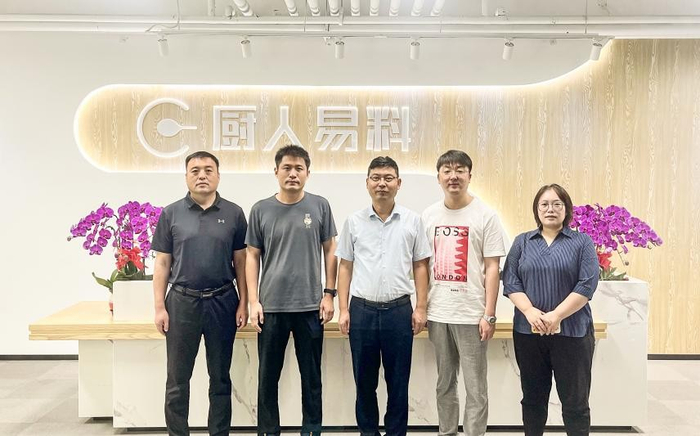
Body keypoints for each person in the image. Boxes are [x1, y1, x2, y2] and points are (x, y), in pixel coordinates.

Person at [152, 151, 249, 436]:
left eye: (208, 170)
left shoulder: (234, 213)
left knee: (220, 377)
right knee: (177, 379)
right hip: (182, 302)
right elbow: (162, 263)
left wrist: (244, 301)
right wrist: (159, 307)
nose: (202, 175)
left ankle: (219, 432)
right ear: (186, 177)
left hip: (223, 301)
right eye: (195, 171)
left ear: (218, 175)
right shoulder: (171, 213)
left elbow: (241, 262)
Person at [245, 144, 338, 436]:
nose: (293, 174)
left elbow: (330, 250)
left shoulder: (320, 205)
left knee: (311, 377)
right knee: (267, 378)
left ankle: (312, 429)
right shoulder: (260, 209)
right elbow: (252, 256)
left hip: (310, 307)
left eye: (299, 168)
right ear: (276, 172)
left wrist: (329, 294)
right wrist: (253, 301)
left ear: (308, 173)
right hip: (271, 307)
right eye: (287, 167)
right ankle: (268, 431)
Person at [336, 156, 431, 436]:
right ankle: (368, 432)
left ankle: (395, 433)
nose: (382, 184)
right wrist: (343, 309)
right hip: (362, 311)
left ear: (398, 183)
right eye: (376, 178)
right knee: (364, 383)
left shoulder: (413, 221)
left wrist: (421, 307)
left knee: (398, 382)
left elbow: (420, 266)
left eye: (388, 178)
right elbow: (345, 266)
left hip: (399, 311)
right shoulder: (353, 221)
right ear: (367, 183)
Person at [502, 183, 599, 436]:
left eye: (557, 204)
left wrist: (556, 316)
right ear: (536, 209)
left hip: (572, 333)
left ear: (567, 209)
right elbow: (510, 280)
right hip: (528, 332)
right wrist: (530, 312)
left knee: (575, 402)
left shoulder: (582, 242)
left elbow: (587, 284)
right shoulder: (523, 242)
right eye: (544, 204)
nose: (550, 209)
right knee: (533, 399)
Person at [421, 150, 506, 436]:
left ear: (470, 175)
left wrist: (489, 314)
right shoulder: (428, 215)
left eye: (459, 170)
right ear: (438, 177)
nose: (453, 176)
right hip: (438, 312)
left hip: (471, 314)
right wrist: (422, 306)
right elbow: (422, 265)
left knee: (476, 387)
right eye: (447, 170)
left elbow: (492, 268)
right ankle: (446, 432)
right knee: (444, 384)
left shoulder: (486, 215)